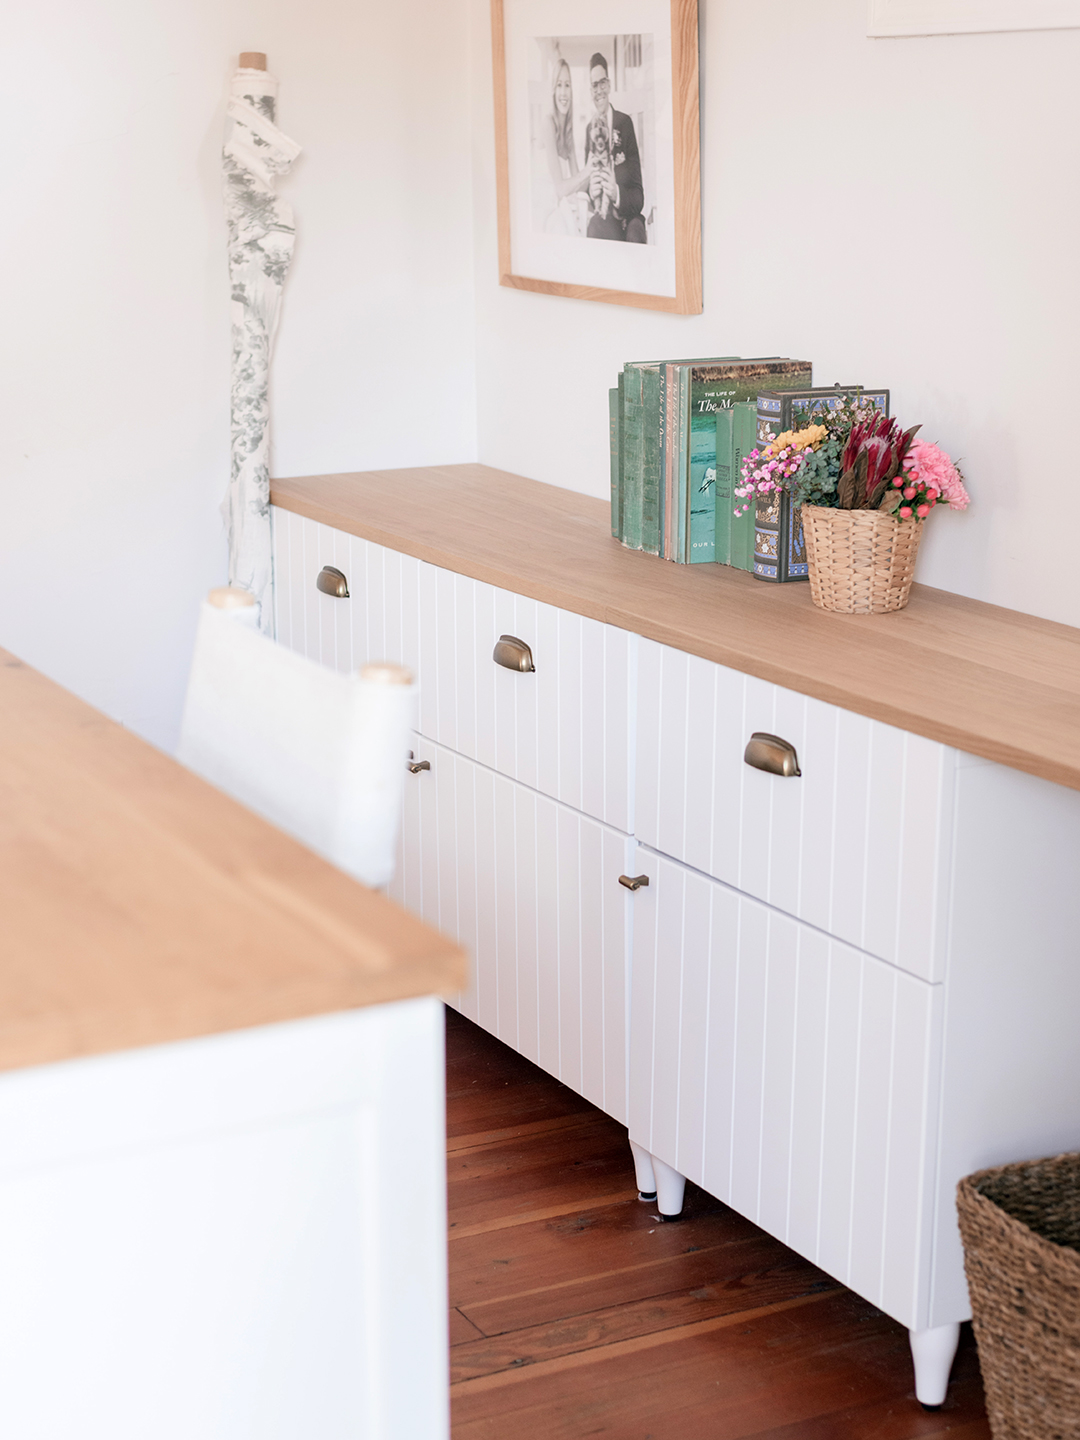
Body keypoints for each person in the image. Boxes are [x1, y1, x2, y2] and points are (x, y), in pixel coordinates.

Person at [583, 51, 646, 243]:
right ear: (590, 90)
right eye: (594, 85)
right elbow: (588, 182)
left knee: (636, 233)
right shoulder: (589, 131)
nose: (599, 90)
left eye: (602, 83)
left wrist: (616, 192)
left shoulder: (625, 123)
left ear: (609, 85)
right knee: (594, 227)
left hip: (628, 215)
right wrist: (591, 194)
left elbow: (638, 196)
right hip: (605, 219)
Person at [540, 58, 591, 236]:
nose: (563, 92)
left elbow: (579, 185)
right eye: (559, 85)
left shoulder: (568, 132)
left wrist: (594, 165)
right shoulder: (548, 123)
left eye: (567, 85)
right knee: (565, 229)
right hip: (543, 210)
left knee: (588, 224)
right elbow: (560, 188)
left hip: (559, 207)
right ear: (553, 91)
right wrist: (586, 173)